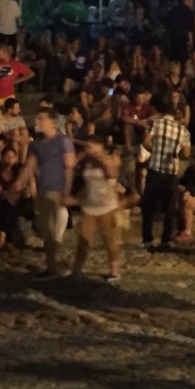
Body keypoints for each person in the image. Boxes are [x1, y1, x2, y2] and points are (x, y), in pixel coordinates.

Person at [13, 110, 76, 278]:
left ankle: (52, 267)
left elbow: (69, 166)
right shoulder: (36, 144)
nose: (37, 121)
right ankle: (55, 263)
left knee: (48, 229)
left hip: (55, 190)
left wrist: (66, 191)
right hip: (42, 189)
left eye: (41, 118)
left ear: (53, 122)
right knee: (45, 228)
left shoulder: (63, 141)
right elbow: (30, 165)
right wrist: (19, 182)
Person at [139, 101, 191, 251]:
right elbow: (186, 153)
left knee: (149, 204)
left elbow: (145, 143)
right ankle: (165, 239)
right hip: (171, 171)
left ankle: (147, 239)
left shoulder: (155, 124)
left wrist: (155, 151)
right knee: (168, 207)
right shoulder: (183, 130)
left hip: (155, 168)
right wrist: (175, 154)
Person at [72, 142, 124, 281]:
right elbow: (71, 167)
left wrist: (102, 158)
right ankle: (77, 269)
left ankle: (114, 270)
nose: (89, 149)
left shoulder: (107, 160)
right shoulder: (86, 162)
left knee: (110, 240)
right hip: (90, 206)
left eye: (92, 146)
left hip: (108, 206)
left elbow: (113, 174)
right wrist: (81, 156)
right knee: (84, 239)